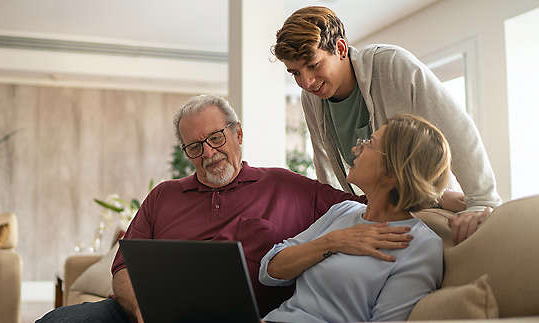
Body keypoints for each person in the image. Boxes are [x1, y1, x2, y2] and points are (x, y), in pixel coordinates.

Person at [38, 95, 416, 323]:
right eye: (195, 147)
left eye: (216, 138)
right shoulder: (164, 195)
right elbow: (122, 268)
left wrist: (453, 203)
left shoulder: (288, 186)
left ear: (237, 134)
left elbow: (374, 202)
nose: (209, 153)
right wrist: (141, 311)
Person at [273, 6, 500, 244]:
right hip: (374, 213)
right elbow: (325, 166)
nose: (306, 82)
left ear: (339, 49)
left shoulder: (392, 65)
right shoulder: (312, 99)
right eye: (295, 73)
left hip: (426, 206)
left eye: (313, 65)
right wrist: (334, 222)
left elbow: (456, 128)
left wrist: (481, 202)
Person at [260, 114, 450, 322]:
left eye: (369, 143)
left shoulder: (420, 245)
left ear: (393, 171)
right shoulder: (344, 211)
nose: (355, 149)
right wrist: (333, 242)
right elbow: (270, 270)